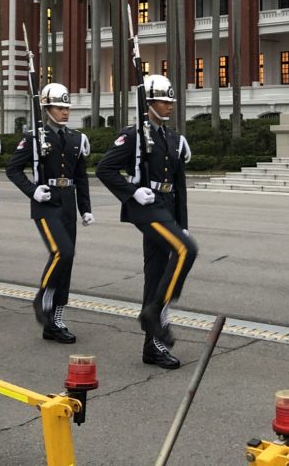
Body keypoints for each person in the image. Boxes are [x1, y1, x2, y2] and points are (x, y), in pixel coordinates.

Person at [96, 74, 197, 370]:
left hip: (165, 209)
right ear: (148, 102)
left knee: (155, 274)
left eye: (170, 101)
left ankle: (152, 347)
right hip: (146, 208)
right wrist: (132, 191)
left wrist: (183, 222)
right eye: (163, 101)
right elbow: (105, 169)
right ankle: (154, 312)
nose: (168, 106)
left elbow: (179, 186)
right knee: (186, 250)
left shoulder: (172, 138)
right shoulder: (133, 136)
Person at [6, 83, 92, 343]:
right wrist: (32, 190)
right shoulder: (34, 138)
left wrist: (85, 209)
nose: (64, 112)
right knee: (62, 252)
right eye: (59, 107)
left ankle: (55, 321)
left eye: (67, 107)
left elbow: (81, 177)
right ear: (46, 108)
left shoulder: (76, 138)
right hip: (45, 203)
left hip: (67, 202)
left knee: (67, 260)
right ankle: (42, 300)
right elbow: (13, 169)